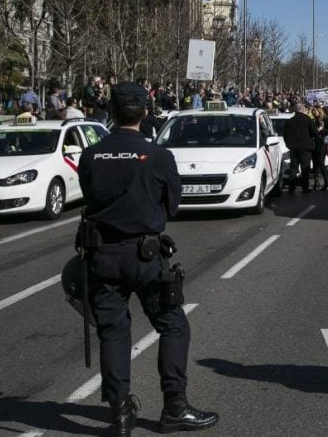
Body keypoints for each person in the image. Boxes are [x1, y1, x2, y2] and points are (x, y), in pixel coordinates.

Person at [78, 82, 217, 436]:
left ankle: (120, 413)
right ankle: (175, 407)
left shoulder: (91, 155)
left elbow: (89, 197)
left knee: (112, 333)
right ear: (145, 112)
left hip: (102, 256)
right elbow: (172, 204)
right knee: (173, 325)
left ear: (110, 111)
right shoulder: (158, 156)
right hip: (144, 256)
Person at [283, 103, 318, 193]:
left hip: (294, 148)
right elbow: (314, 132)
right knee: (305, 168)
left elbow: (285, 135)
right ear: (303, 109)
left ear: (295, 110)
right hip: (306, 148)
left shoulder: (289, 121)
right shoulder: (308, 120)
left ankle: (291, 188)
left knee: (293, 168)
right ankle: (305, 188)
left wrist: (288, 145)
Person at [312, 106, 328, 191]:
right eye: (312, 110)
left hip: (322, 143)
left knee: (320, 162)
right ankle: (316, 183)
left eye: (314, 110)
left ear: (319, 110)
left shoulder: (325, 118)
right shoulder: (315, 119)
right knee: (315, 163)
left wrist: (320, 130)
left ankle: (326, 181)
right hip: (315, 143)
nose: (313, 112)